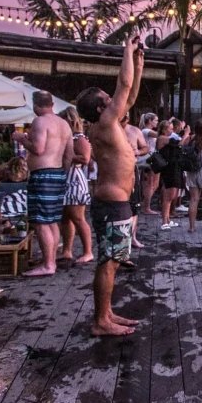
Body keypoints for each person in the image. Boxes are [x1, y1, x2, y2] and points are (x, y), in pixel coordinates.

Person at [76, 38, 144, 336]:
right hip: (112, 203)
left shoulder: (109, 122)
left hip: (117, 202)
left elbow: (129, 96)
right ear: (101, 105)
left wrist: (139, 64)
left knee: (112, 261)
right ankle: (100, 322)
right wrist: (127, 52)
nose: (113, 96)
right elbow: (124, 87)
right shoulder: (104, 122)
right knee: (108, 262)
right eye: (108, 95)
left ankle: (106, 313)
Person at [10, 92, 73, 277]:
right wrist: (63, 173)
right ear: (52, 103)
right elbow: (69, 154)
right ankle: (50, 259)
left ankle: (48, 265)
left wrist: (21, 138)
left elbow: (38, 149)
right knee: (52, 220)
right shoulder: (64, 124)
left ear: (35, 105)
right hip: (58, 173)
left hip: (42, 175)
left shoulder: (40, 121)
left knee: (40, 222)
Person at [59, 107, 94, 264]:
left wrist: (67, 155)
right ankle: (67, 250)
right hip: (66, 179)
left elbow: (85, 158)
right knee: (65, 217)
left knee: (78, 217)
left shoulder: (79, 138)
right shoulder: (68, 138)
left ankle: (88, 251)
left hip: (75, 179)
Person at [123, 113, 150, 251]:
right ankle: (121, 239)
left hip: (131, 170)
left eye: (126, 116)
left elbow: (146, 148)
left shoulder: (134, 130)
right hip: (115, 172)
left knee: (134, 205)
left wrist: (138, 152)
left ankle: (132, 237)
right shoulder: (109, 129)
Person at [156, 121, 184, 230]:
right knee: (169, 196)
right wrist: (186, 133)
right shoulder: (162, 138)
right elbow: (180, 143)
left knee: (172, 196)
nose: (172, 131)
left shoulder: (167, 138)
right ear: (164, 129)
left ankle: (167, 219)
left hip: (174, 167)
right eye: (170, 129)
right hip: (169, 169)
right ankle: (164, 221)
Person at [138, 113, 161, 216]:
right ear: (150, 121)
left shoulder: (147, 131)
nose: (157, 122)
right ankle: (146, 207)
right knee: (150, 184)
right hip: (148, 158)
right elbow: (160, 134)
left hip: (151, 157)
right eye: (155, 120)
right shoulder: (146, 131)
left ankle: (145, 204)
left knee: (154, 184)